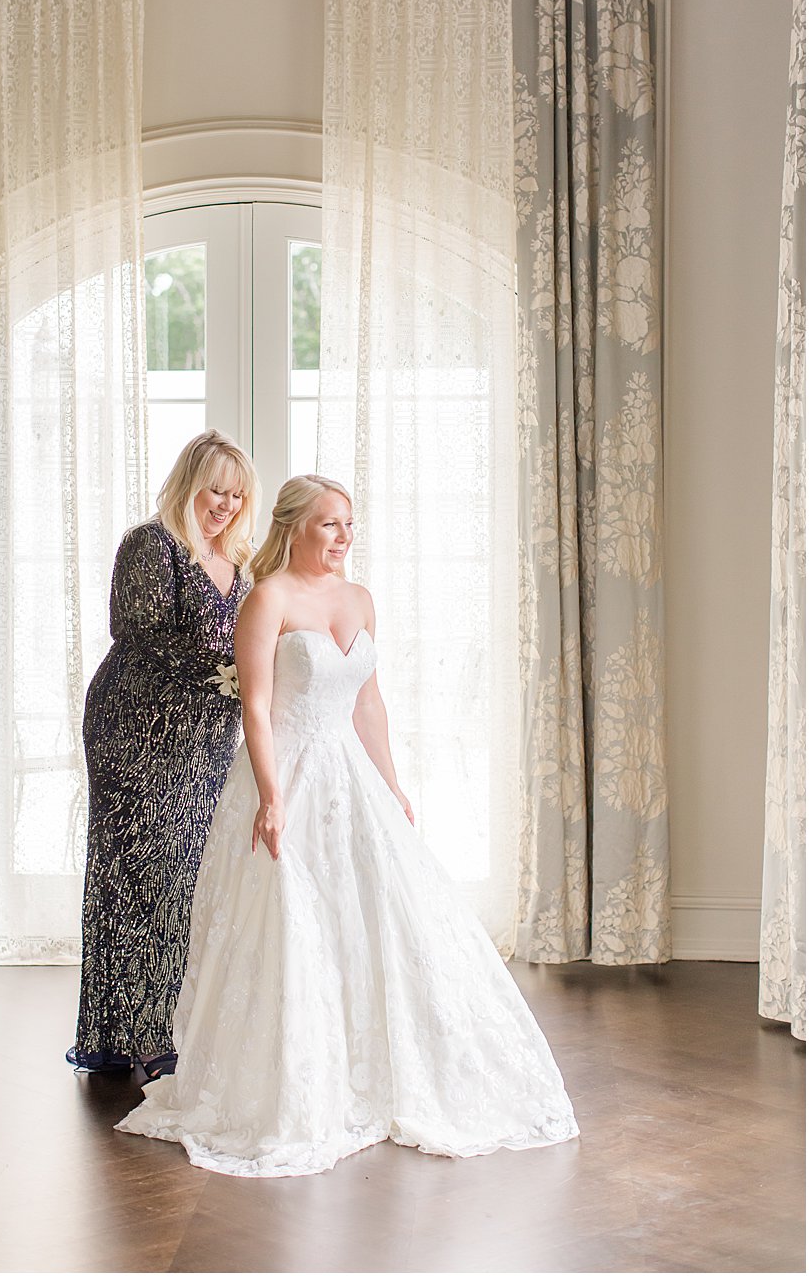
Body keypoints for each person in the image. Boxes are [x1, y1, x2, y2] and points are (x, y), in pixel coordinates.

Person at [115, 474, 579, 1175]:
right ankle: (301, 1082)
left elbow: (367, 704)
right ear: (295, 526)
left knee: (381, 919)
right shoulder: (266, 599)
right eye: (330, 524)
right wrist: (271, 797)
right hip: (289, 774)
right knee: (292, 923)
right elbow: (259, 710)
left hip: (350, 778)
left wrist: (391, 784)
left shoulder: (359, 599)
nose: (343, 538)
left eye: (350, 525)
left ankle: (380, 1069)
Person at [66, 430, 260, 1080]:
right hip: (135, 731)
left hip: (204, 740)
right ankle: (139, 1035)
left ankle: (174, 1025)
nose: (225, 505)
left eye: (237, 494)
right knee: (145, 879)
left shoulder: (243, 559)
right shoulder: (151, 544)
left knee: (190, 879)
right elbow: (141, 634)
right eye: (215, 490)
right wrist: (230, 675)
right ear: (187, 485)